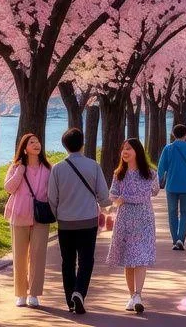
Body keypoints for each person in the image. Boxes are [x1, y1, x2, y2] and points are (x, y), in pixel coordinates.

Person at [47, 127, 111, 315]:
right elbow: (104, 196)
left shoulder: (57, 168)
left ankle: (70, 301)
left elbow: (52, 198)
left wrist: (59, 215)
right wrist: (109, 204)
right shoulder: (93, 166)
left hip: (65, 223)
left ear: (64, 146)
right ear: (82, 144)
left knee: (67, 261)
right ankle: (79, 292)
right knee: (86, 261)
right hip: (88, 221)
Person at [108, 138, 159, 314]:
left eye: (129, 148)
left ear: (137, 151)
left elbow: (150, 193)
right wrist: (117, 200)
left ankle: (138, 294)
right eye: (123, 149)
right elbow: (112, 195)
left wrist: (125, 198)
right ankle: (132, 295)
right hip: (125, 220)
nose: (125, 152)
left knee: (141, 257)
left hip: (143, 220)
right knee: (128, 260)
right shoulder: (118, 174)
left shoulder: (150, 174)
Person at [3, 133, 53, 308]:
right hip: (19, 216)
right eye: (32, 142)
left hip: (41, 217)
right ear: (25, 148)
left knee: (38, 255)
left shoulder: (48, 168)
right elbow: (8, 188)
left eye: (38, 141)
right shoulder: (16, 166)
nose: (36, 144)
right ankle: (21, 293)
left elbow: (53, 192)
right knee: (20, 256)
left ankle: (34, 293)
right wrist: (20, 172)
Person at [157, 123, 186, 251]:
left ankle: (174, 239)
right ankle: (180, 239)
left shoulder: (168, 149)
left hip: (171, 185)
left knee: (172, 213)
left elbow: (161, 169)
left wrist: (156, 182)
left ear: (173, 134)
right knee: (185, 213)